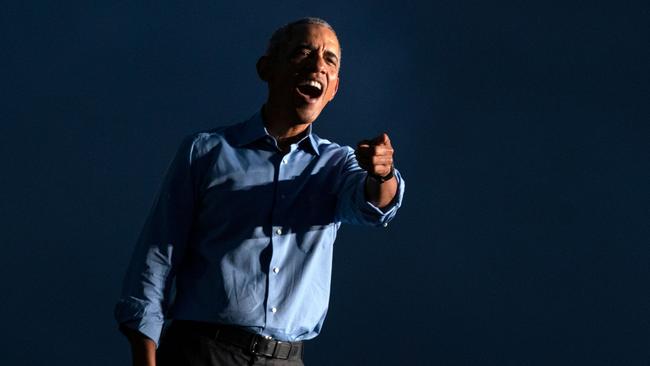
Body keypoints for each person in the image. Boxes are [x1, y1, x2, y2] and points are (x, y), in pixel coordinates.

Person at [114, 17, 405, 366]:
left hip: (286, 359)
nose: (318, 65)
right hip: (202, 353)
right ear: (267, 68)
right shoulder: (206, 152)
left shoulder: (337, 164)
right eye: (303, 52)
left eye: (330, 60)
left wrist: (383, 172)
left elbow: (373, 205)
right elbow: (155, 262)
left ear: (334, 89)